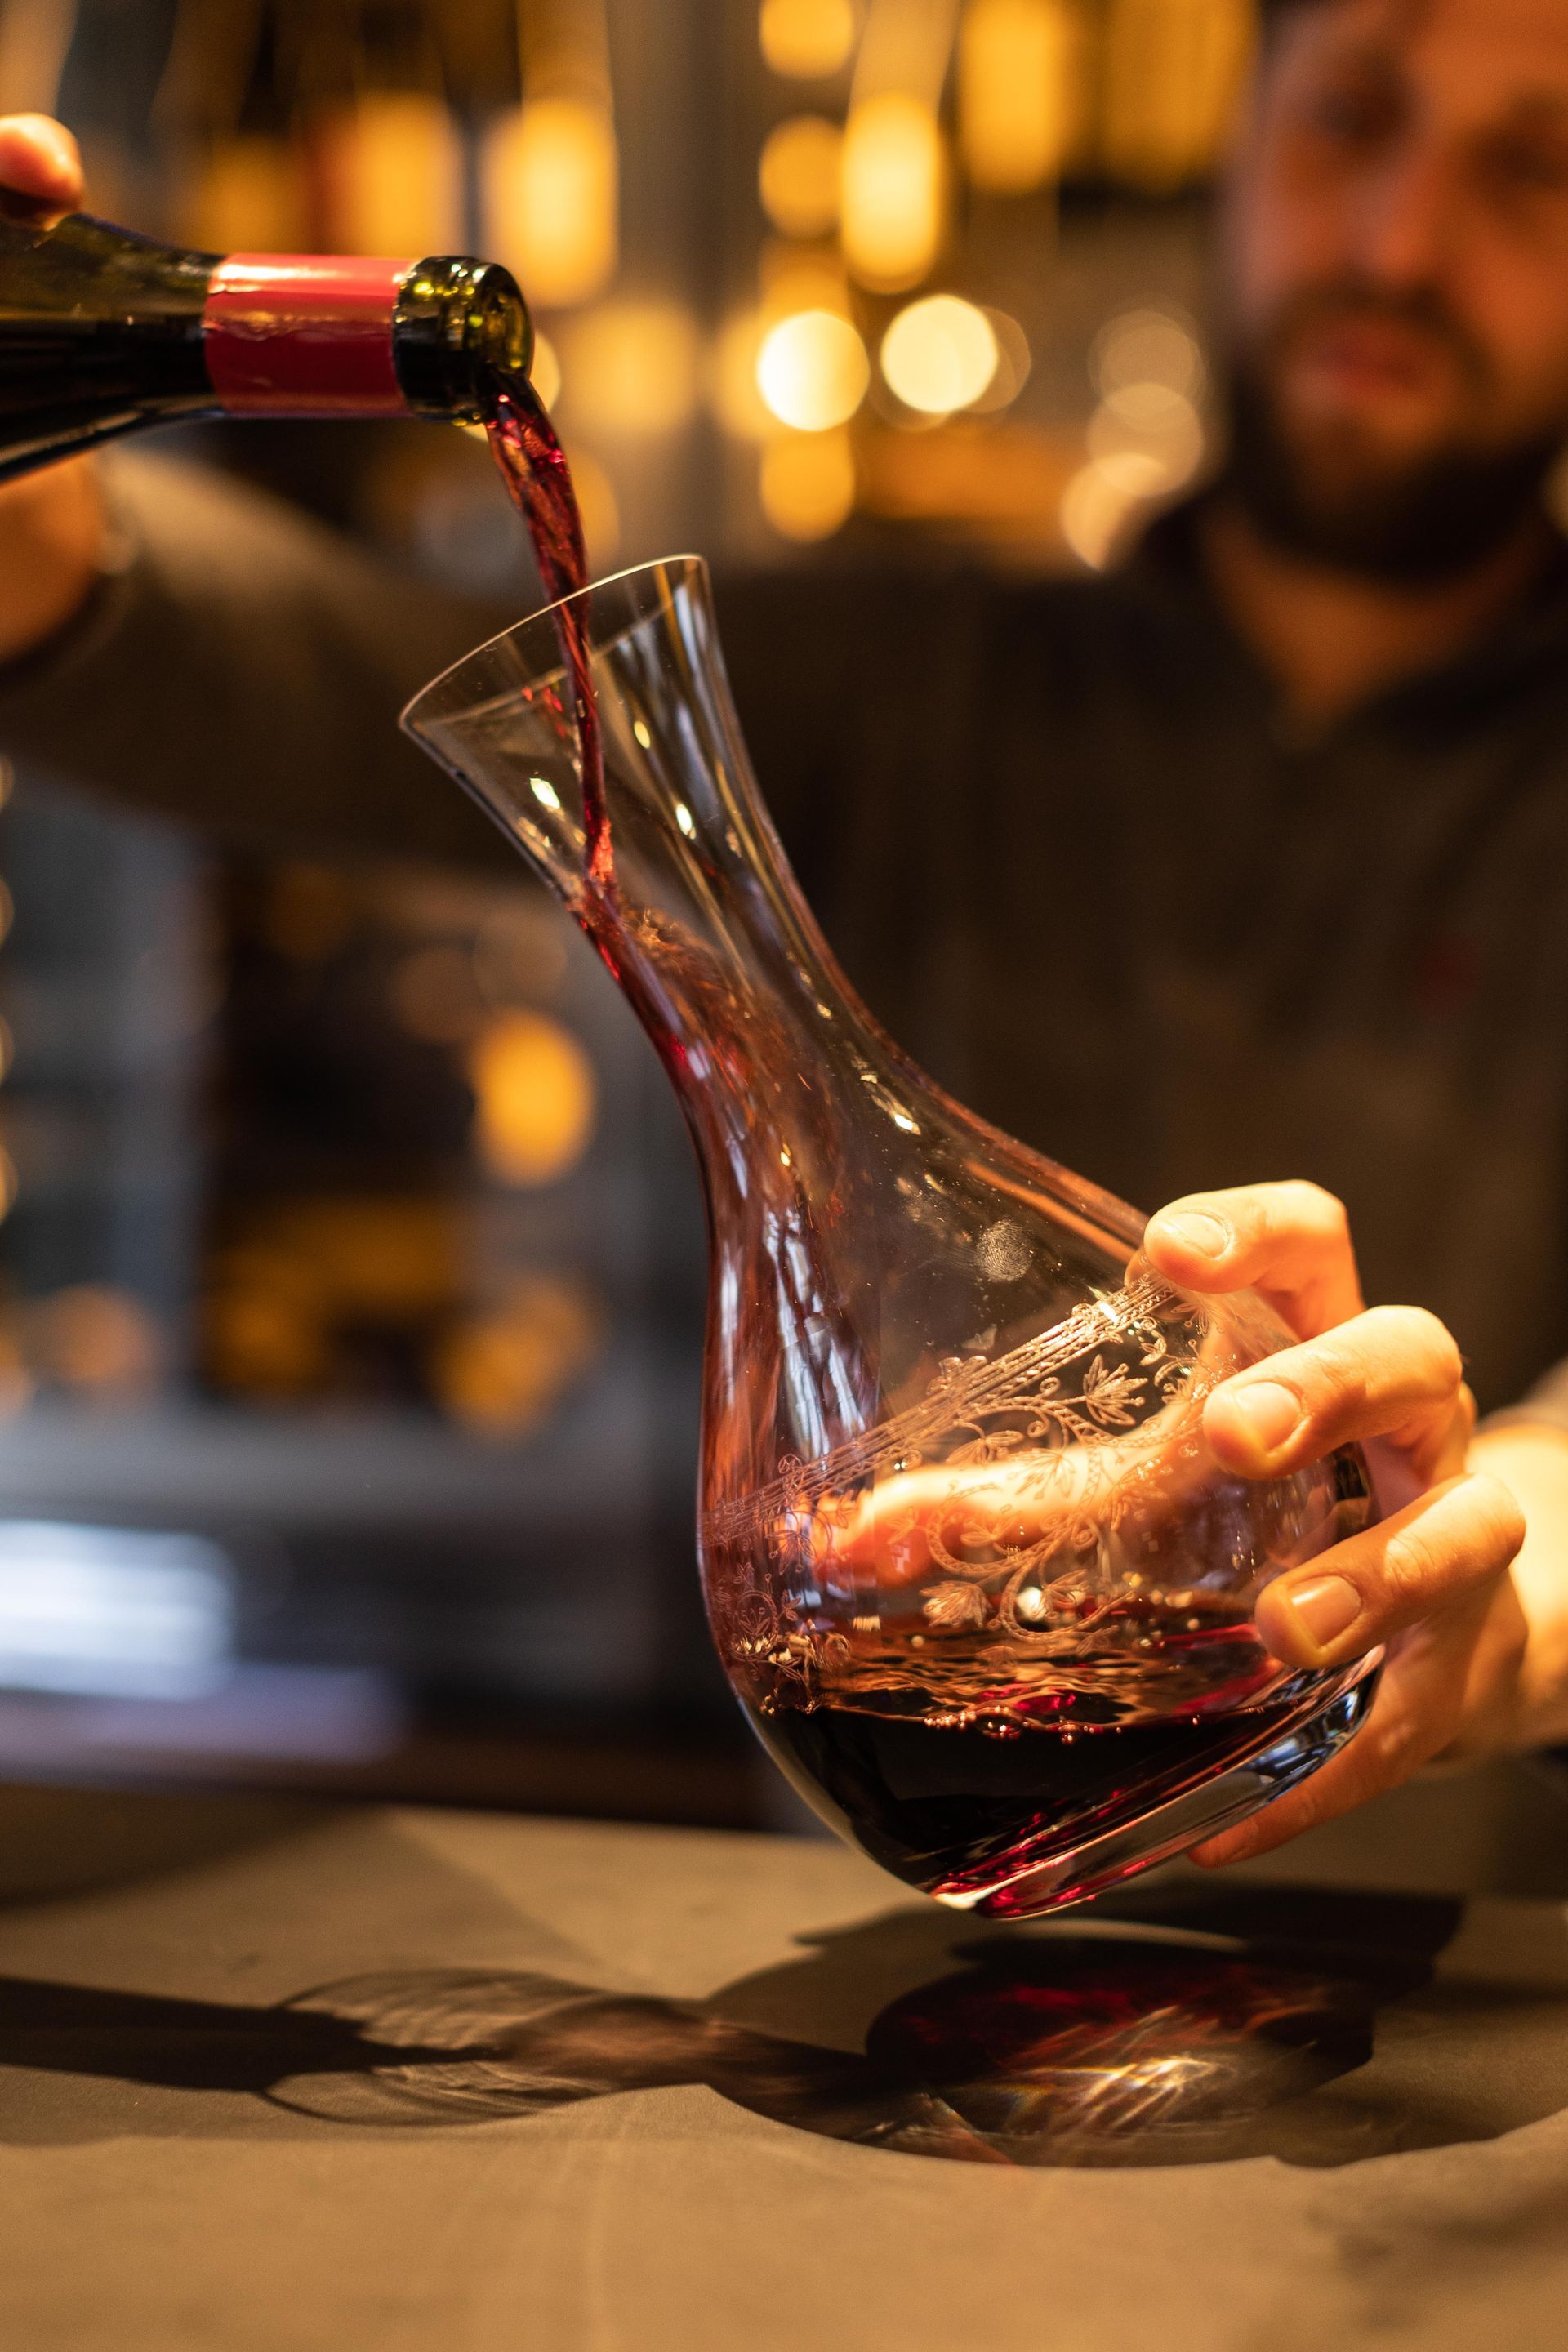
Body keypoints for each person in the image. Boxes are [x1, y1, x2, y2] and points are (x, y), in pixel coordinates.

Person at [0, 0, 1566, 1873]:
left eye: (1529, 167)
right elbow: (326, 673)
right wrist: (45, 549)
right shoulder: (923, 683)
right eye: (1354, 123)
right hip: (872, 1990)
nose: (1397, 241)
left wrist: (1512, 1566)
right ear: (1240, 142)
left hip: (1466, 2025)